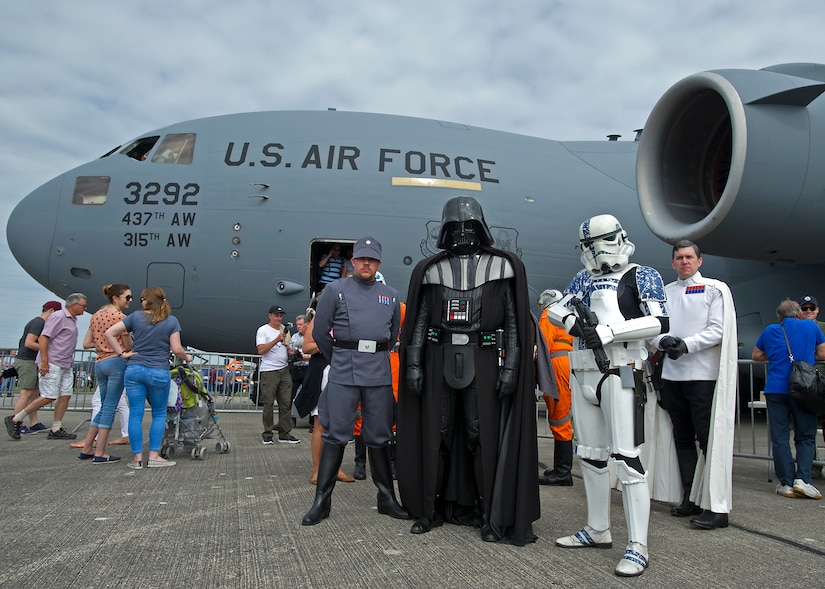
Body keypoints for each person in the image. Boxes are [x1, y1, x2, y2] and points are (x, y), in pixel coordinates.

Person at [397, 196, 539, 546]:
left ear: (480, 227)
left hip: (486, 359)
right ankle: (430, 510)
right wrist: (412, 364)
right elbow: (417, 323)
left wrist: (512, 369)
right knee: (438, 435)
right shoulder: (430, 271)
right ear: (445, 230)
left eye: (469, 226)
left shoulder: (503, 268)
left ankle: (491, 514)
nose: (462, 232)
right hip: (438, 357)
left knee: (481, 437)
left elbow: (514, 322)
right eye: (455, 227)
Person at [546, 214, 668, 576]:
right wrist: (570, 322)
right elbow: (556, 306)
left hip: (621, 368)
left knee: (627, 458)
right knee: (591, 455)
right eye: (589, 244)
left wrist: (610, 331)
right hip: (583, 369)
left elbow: (659, 321)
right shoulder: (584, 278)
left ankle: (637, 544)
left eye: (600, 241)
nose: (595, 250)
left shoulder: (642, 275)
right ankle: (597, 528)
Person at [302, 236, 407, 525]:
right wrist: (339, 359)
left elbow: (393, 334)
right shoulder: (335, 290)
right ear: (353, 260)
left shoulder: (391, 295)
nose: (366, 264)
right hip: (344, 370)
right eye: (362, 258)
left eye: (372, 260)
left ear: (379, 264)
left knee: (380, 436)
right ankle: (322, 501)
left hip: (378, 372)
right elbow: (321, 333)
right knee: (335, 434)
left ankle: (386, 497)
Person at [649, 240, 738, 530]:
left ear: (699, 261)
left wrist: (686, 345)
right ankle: (690, 496)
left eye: (689, 257)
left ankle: (715, 505)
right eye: (679, 257)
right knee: (683, 439)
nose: (684, 261)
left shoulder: (714, 289)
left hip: (703, 376)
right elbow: (652, 326)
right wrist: (663, 341)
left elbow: (717, 329)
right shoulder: (666, 292)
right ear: (673, 263)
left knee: (708, 440)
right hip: (673, 377)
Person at [105, 286, 192, 469]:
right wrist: (187, 357)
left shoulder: (135, 317)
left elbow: (110, 333)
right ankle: (153, 456)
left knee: (135, 414)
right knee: (159, 413)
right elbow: (176, 349)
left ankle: (137, 459)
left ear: (147, 300)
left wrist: (122, 353)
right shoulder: (171, 321)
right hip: (158, 371)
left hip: (135, 369)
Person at [752, 299, 825, 500]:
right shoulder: (811, 326)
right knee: (806, 436)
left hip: (776, 388)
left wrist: (777, 354)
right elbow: (822, 353)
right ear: (799, 314)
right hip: (803, 388)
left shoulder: (770, 330)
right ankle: (803, 480)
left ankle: (785, 483)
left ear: (779, 316)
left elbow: (756, 355)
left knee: (780, 437)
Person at [5, 294, 87, 441]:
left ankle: (56, 428)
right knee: (49, 396)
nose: (85, 308)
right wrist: (44, 361)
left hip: (65, 363)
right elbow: (44, 337)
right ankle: (16, 419)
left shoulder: (72, 319)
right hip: (53, 361)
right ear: (73, 305)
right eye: (83, 305)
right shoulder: (58, 317)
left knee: (66, 394)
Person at [76, 284, 133, 464]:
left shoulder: (96, 316)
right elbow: (128, 345)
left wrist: (102, 346)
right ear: (116, 298)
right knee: (110, 407)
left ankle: (87, 447)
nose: (130, 301)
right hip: (116, 362)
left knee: (103, 406)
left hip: (100, 362)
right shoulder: (121, 318)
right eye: (127, 297)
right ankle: (100, 452)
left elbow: (88, 341)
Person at [536, 289, 575, 486]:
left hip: (556, 365)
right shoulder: (567, 316)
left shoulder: (549, 315)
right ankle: (561, 469)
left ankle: (562, 472)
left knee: (559, 418)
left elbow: (542, 344)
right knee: (562, 416)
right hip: (567, 363)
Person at [9, 301, 63, 435]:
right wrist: (48, 350)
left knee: (33, 393)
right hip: (27, 361)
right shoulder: (39, 323)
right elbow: (29, 342)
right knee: (26, 393)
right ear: (51, 311)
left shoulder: (39, 322)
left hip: (31, 361)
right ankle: (15, 423)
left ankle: (34, 423)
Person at [256, 306, 299, 445]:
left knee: (286, 403)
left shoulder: (283, 330)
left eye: (281, 315)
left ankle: (284, 433)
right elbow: (261, 350)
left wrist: (290, 351)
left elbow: (285, 347)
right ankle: (267, 433)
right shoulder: (263, 330)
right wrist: (276, 340)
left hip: (284, 369)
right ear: (270, 315)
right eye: (276, 315)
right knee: (268, 403)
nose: (279, 318)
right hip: (269, 370)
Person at [796, 294, 825, 477]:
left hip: (822, 383)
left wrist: (807, 356)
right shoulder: (794, 327)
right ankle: (813, 467)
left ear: (817, 310)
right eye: (804, 308)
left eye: (811, 308)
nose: (808, 311)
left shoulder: (823, 327)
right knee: (807, 427)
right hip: (804, 385)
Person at [290, 314, 311, 402]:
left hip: (308, 368)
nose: (298, 327)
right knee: (290, 393)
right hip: (296, 368)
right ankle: (289, 414)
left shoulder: (312, 336)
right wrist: (292, 353)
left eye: (300, 324)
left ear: (307, 324)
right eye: (297, 324)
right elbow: (291, 349)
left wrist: (307, 357)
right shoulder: (294, 336)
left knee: (308, 393)